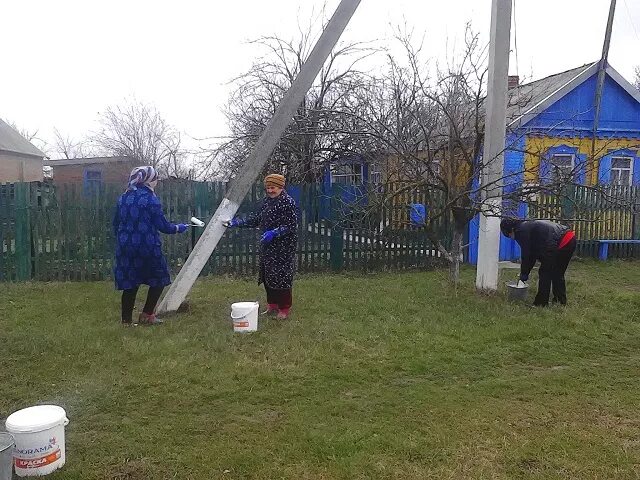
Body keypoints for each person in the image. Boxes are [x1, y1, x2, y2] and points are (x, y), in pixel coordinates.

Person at [113, 166, 189, 326]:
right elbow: (163, 226)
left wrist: (122, 239)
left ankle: (126, 321)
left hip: (125, 247)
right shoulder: (150, 199)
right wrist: (179, 228)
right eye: (156, 179)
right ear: (148, 180)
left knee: (130, 283)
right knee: (159, 279)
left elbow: (115, 223)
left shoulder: (123, 198)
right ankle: (147, 315)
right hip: (147, 247)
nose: (157, 182)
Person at [224, 174, 298, 319]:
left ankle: (284, 308)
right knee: (267, 275)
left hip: (284, 247)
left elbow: (291, 226)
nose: (270, 191)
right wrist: (238, 223)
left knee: (282, 277)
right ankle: (272, 305)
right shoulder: (267, 202)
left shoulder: (288, 202)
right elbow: (257, 219)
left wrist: (275, 232)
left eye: (273, 188)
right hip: (268, 246)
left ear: (281, 187)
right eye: (268, 188)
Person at [500, 218, 577, 307]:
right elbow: (532, 254)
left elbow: (527, 255)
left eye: (508, 235)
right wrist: (525, 273)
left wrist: (524, 275)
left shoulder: (521, 232)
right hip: (569, 238)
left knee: (545, 273)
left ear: (511, 230)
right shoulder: (526, 226)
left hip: (560, 242)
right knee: (557, 273)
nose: (510, 237)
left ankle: (541, 303)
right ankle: (560, 301)